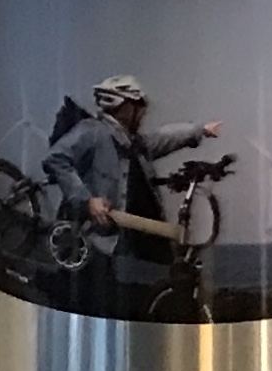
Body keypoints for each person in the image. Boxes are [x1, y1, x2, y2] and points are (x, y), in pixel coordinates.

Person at [40, 74, 221, 317]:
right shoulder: (93, 132)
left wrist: (200, 130)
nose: (144, 112)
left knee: (102, 295)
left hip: (109, 243)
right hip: (85, 238)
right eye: (139, 106)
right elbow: (56, 159)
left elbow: (163, 137)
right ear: (123, 107)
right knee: (81, 298)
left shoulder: (133, 143)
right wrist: (87, 199)